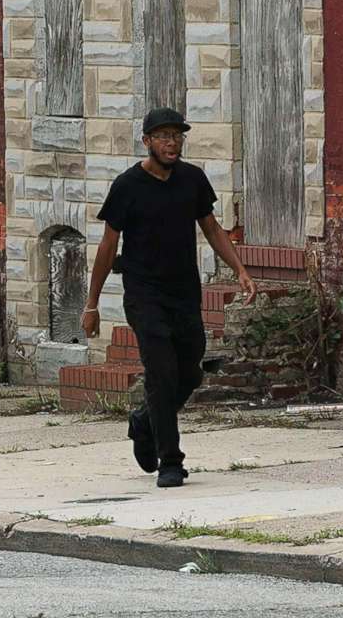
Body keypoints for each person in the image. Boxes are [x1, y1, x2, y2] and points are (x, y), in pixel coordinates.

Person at [81, 108, 257, 487]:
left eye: (176, 136)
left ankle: (145, 421)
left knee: (190, 372)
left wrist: (240, 270)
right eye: (163, 136)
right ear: (147, 141)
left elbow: (212, 228)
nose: (171, 142)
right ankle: (170, 460)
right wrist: (91, 305)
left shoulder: (192, 180)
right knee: (161, 372)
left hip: (183, 292)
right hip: (144, 294)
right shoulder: (127, 187)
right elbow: (108, 247)